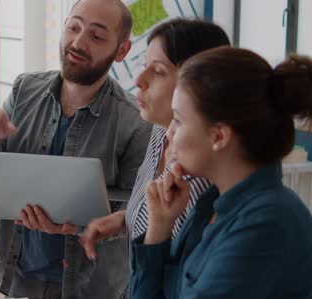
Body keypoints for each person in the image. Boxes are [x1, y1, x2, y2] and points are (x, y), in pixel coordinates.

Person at [0, 0, 152, 299]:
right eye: (74, 27)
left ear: (121, 50)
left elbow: (137, 215)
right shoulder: (24, 89)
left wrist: (78, 225)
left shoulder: (135, 123)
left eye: (97, 36)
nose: (78, 42)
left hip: (92, 294)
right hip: (20, 276)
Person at [129, 47, 312, 299]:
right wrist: (160, 227)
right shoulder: (209, 206)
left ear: (218, 136)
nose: (169, 133)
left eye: (178, 119)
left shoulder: (268, 222)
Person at [80, 19, 230, 259]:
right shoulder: (160, 130)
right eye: (144, 65)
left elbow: (175, 274)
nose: (139, 80)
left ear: (201, 85)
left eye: (158, 71)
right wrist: (124, 219)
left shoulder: (200, 175)